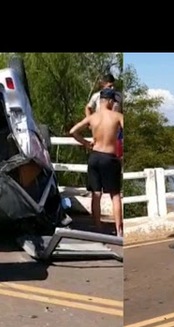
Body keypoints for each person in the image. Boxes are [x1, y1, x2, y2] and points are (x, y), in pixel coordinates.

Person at [70, 88, 124, 237]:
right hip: (109, 157)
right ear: (111, 101)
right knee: (115, 195)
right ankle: (119, 230)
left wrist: (86, 143)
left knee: (96, 194)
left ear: (100, 101)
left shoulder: (92, 117)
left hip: (95, 157)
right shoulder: (117, 116)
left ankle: (98, 229)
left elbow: (73, 131)